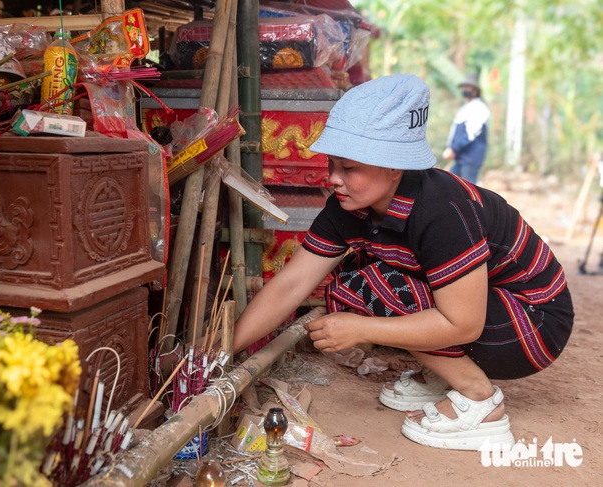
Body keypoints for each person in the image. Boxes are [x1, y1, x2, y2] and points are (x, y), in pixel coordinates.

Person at [232, 74, 574, 451]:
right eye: (332, 164)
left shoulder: (441, 210)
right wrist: (222, 350)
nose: (333, 179)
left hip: (533, 323)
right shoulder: (348, 206)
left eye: (349, 168)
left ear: (395, 166)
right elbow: (291, 284)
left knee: (373, 284)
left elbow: (463, 322)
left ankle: (479, 398)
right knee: (355, 277)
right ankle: (445, 374)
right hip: (490, 309)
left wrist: (363, 329)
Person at [442, 74, 491, 184]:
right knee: (451, 186)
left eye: (468, 87)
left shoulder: (479, 108)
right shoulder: (467, 107)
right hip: (462, 158)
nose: (465, 90)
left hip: (470, 158)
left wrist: (454, 149)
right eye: (464, 87)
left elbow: (470, 134)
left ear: (475, 90)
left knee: (468, 192)